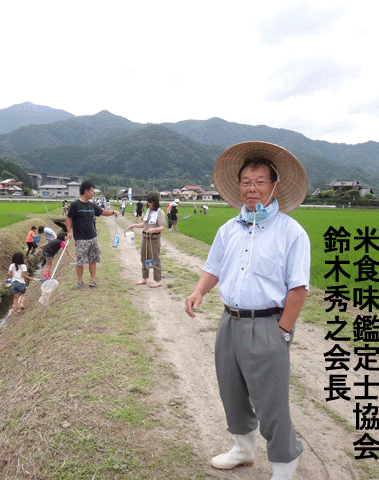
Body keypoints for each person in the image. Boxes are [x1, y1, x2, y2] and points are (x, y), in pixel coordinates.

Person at [184, 142, 310, 480]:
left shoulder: (290, 232)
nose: (251, 188)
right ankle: (242, 448)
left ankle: (285, 465)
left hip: (268, 324)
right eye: (246, 181)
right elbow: (214, 267)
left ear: (274, 186)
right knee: (232, 390)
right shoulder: (229, 229)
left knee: (271, 402)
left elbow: (298, 288)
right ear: (238, 186)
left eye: (260, 181)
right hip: (230, 321)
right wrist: (198, 290)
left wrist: (282, 330)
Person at [66, 180, 119, 288]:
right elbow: (68, 219)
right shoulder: (75, 205)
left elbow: (102, 212)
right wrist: (69, 232)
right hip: (81, 239)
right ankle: (80, 281)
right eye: (92, 191)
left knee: (93, 259)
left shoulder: (91, 205)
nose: (93, 193)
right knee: (80, 261)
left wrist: (113, 212)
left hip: (93, 237)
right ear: (86, 191)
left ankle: (93, 280)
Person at [127, 192, 167, 288]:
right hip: (145, 237)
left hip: (153, 239)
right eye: (148, 201)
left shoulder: (160, 213)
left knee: (154, 258)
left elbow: (163, 227)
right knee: (145, 258)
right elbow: (144, 224)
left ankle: (158, 280)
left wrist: (153, 230)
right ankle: (144, 278)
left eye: (150, 201)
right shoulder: (149, 211)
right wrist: (135, 225)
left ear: (155, 202)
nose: (149, 203)